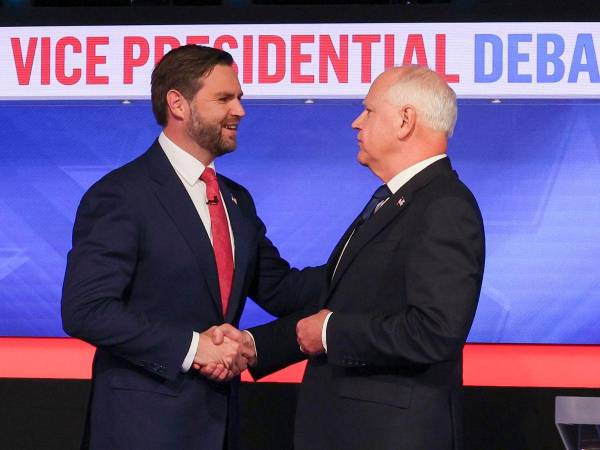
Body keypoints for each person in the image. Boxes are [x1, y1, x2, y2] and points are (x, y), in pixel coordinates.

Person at [61, 45, 316, 450]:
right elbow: (86, 310)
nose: (240, 111)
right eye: (224, 98)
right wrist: (195, 348)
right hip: (140, 431)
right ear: (177, 104)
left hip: (219, 425)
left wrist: (361, 262)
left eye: (239, 98)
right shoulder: (121, 194)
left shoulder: (236, 200)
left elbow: (281, 289)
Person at [243, 65, 486, 450]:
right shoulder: (395, 202)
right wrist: (251, 345)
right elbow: (325, 293)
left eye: (369, 111)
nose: (356, 123)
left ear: (405, 120)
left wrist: (328, 333)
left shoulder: (444, 206)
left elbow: (434, 331)